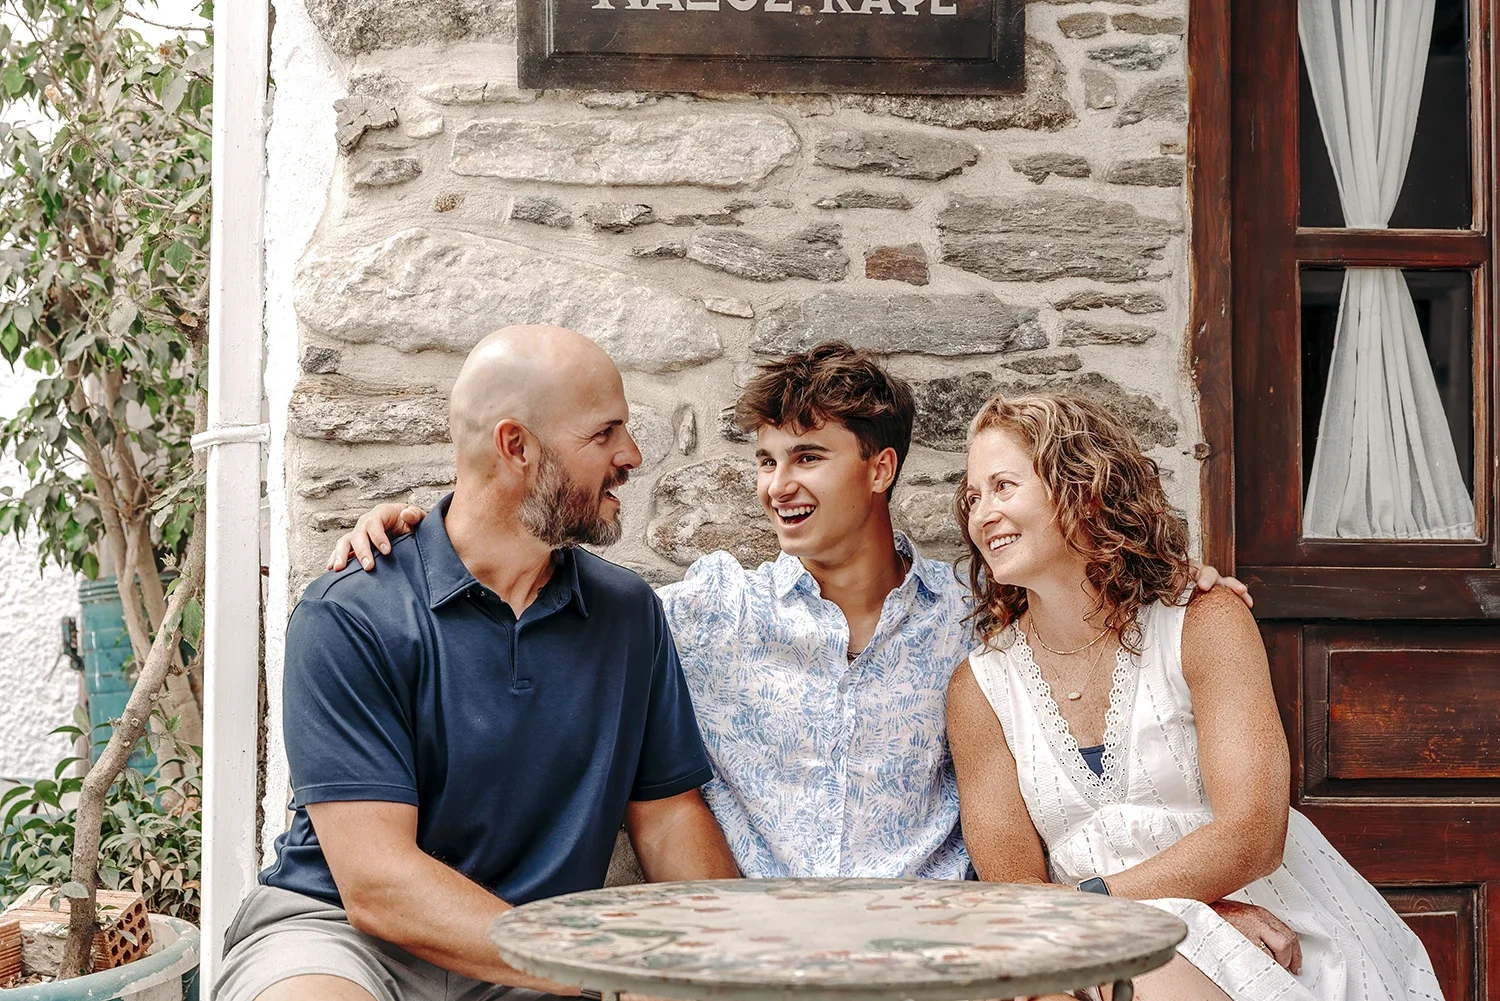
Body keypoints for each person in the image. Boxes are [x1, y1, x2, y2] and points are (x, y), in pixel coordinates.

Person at [328, 343, 1249, 886]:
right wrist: (406, 523)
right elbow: (524, 563)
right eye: (766, 462)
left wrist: (1180, 582)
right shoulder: (699, 616)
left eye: (806, 458)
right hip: (761, 968)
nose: (778, 487)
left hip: (926, 968)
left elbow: (1091, 646)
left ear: (878, 470)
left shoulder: (976, 630)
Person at [216, 326, 739, 1001]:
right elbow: (376, 885)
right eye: (605, 433)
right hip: (343, 937)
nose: (631, 455)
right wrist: (586, 968)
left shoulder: (628, 615)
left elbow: (669, 817)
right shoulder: (354, 611)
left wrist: (733, 958)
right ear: (516, 446)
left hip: (534, 959)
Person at [946, 392, 1443, 1001]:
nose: (981, 514)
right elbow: (1015, 891)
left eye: (1003, 487)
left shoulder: (1203, 623)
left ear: (1083, 489)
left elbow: (1251, 835)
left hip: (1265, 920)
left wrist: (1110, 905)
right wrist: (1136, 919)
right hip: (1088, 942)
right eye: (973, 497)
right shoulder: (981, 688)